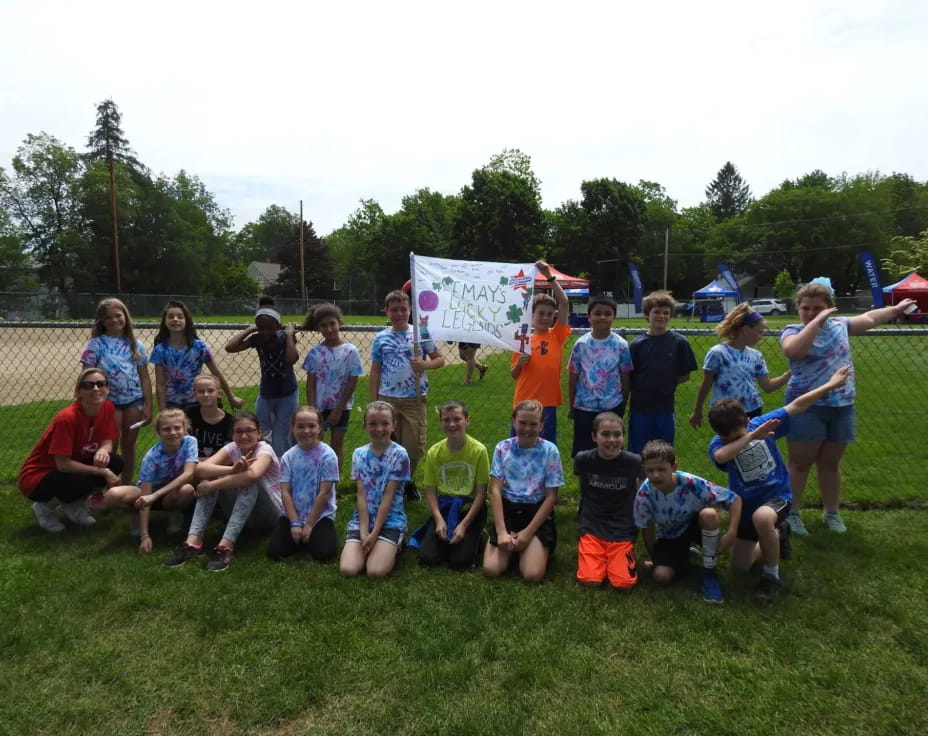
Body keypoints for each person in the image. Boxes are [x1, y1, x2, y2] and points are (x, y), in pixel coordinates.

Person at [779, 278, 915, 535]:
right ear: (798, 308)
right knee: (800, 463)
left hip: (842, 404)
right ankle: (791, 513)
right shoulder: (792, 330)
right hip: (806, 407)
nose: (810, 313)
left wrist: (896, 310)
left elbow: (870, 317)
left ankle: (832, 513)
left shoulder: (841, 325)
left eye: (817, 308)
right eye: (805, 308)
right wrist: (815, 323)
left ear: (830, 308)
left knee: (830, 464)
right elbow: (794, 351)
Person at [708, 365, 852, 601]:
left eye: (739, 433)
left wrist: (831, 384)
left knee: (762, 518)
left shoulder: (762, 423)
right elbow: (721, 457)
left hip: (777, 496)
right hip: (747, 506)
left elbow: (798, 404)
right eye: (729, 438)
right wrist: (751, 436)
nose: (735, 440)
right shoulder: (722, 442)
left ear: (747, 419)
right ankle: (778, 534)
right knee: (740, 566)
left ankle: (772, 576)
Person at [162, 411, 282, 572]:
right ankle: (193, 542)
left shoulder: (264, 449)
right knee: (210, 476)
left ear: (259, 433)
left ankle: (225, 546)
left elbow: (252, 475)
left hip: (270, 514)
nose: (244, 436)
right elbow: (200, 469)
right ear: (232, 435)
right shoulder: (232, 448)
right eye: (239, 431)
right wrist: (232, 469)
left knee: (248, 481)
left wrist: (213, 486)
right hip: (243, 512)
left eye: (250, 430)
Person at [633, 440, 741, 603]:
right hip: (670, 535)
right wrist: (656, 559)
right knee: (661, 576)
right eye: (650, 470)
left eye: (662, 469)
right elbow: (647, 530)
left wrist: (732, 533)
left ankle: (709, 570)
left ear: (674, 467)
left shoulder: (691, 483)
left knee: (709, 514)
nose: (656, 475)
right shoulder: (644, 495)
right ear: (644, 470)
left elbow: (734, 500)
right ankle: (683, 555)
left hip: (695, 525)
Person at [19, 368, 124, 533]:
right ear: (78, 392)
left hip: (72, 466)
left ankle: (73, 506)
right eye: (88, 385)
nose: (96, 389)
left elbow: (107, 441)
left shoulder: (107, 407)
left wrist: (103, 450)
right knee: (84, 480)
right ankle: (44, 509)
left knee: (115, 461)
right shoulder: (67, 418)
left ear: (107, 388)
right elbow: (62, 464)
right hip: (39, 476)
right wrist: (103, 472)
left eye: (100, 384)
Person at [369, 289, 444, 500]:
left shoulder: (420, 334)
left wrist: (425, 364)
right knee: (386, 442)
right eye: (394, 310)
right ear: (387, 312)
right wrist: (374, 401)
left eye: (403, 309)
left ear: (410, 309)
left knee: (414, 446)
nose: (399, 314)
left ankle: (406, 479)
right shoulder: (381, 338)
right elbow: (375, 370)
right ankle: (389, 481)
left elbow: (439, 359)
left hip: (414, 398)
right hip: (387, 398)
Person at [483, 400, 565, 583]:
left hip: (535, 511)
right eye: (522, 423)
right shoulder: (502, 448)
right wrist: (502, 531)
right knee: (491, 569)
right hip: (508, 511)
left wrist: (528, 533)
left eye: (533, 424)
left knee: (532, 574)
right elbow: (495, 491)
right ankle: (508, 542)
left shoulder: (550, 451)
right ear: (513, 421)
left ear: (542, 425)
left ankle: (529, 546)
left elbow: (551, 498)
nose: (527, 428)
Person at [103, 408, 197, 554]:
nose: (173, 432)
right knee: (112, 496)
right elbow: (145, 493)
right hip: (148, 493)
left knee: (187, 490)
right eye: (166, 429)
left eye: (177, 428)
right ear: (158, 432)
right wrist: (145, 536)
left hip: (170, 493)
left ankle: (175, 513)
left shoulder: (190, 442)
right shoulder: (152, 457)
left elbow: (188, 474)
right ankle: (136, 516)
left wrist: (156, 495)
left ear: (185, 428)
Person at [80, 297, 152, 485]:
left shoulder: (136, 345)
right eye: (108, 317)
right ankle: (105, 484)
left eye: (118, 315)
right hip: (108, 402)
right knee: (109, 445)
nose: (114, 320)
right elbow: (86, 374)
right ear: (102, 321)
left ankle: (126, 485)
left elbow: (144, 377)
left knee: (129, 445)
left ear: (125, 317)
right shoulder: (95, 344)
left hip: (133, 400)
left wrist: (148, 405)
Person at [413, 400, 489, 570]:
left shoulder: (479, 451)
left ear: (467, 421)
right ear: (441, 423)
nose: (452, 424)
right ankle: (441, 534)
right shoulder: (434, 452)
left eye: (457, 419)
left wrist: (464, 525)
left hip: (469, 508)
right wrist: (439, 520)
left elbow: (481, 494)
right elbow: (431, 491)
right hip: (445, 507)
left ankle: (476, 534)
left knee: (460, 562)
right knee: (428, 558)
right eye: (446, 420)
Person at [339, 401, 411, 578]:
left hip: (390, 519)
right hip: (364, 517)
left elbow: (388, 496)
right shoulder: (359, 454)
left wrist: (375, 532)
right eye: (373, 423)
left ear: (394, 425)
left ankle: (395, 544)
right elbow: (361, 495)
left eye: (385, 423)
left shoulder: (400, 454)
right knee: (349, 569)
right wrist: (364, 531)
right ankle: (375, 545)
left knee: (375, 571)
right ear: (365, 425)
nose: (379, 428)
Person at [573, 412, 645, 591]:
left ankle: (616, 558)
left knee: (623, 583)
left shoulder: (634, 462)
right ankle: (597, 558)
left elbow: (641, 494)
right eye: (605, 434)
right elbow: (583, 489)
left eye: (617, 434)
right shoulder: (583, 459)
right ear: (594, 436)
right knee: (590, 580)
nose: (612, 440)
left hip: (622, 525)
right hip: (592, 523)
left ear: (623, 436)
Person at [689, 302, 790, 428]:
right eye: (759, 332)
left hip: (753, 410)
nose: (761, 337)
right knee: (731, 446)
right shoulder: (718, 353)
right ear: (746, 329)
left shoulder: (756, 356)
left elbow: (767, 386)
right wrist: (697, 410)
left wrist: (788, 375)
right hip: (725, 414)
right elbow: (706, 383)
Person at [224, 297, 299, 459]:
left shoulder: (284, 338)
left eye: (269, 328)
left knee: (280, 436)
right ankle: (262, 464)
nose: (265, 331)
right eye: (261, 327)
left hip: (287, 393)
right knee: (261, 432)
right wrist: (249, 330)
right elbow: (229, 347)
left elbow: (292, 358)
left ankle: (281, 470)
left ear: (278, 326)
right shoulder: (256, 339)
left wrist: (289, 335)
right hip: (266, 393)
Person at [627, 290, 697, 455]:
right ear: (647, 314)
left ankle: (661, 480)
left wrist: (664, 383)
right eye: (656, 312)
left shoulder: (679, 343)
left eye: (666, 313)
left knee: (664, 452)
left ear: (671, 315)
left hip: (665, 409)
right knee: (638, 452)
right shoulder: (637, 345)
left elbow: (685, 375)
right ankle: (638, 481)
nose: (661, 316)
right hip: (640, 408)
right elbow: (629, 377)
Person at [267, 406, 340, 563]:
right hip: (292, 514)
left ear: (320, 428)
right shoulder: (288, 457)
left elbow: (324, 493)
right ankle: (299, 537)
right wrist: (294, 523)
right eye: (300, 426)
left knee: (325, 554)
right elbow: (285, 492)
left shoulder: (328, 456)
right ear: (292, 428)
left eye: (312, 426)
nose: (306, 431)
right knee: (275, 552)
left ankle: (309, 536)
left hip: (319, 516)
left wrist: (309, 524)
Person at [510, 260, 571, 445]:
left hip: (547, 403)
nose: (545, 317)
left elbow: (564, 302)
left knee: (545, 445)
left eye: (549, 314)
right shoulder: (522, 338)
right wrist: (519, 363)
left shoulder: (557, 336)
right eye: (541, 313)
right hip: (523, 401)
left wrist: (549, 276)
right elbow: (514, 374)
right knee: (518, 443)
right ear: (532, 315)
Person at [567, 294, 633, 457]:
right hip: (584, 406)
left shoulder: (621, 345)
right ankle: (585, 482)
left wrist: (623, 404)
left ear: (614, 317)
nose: (602, 317)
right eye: (597, 313)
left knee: (611, 451)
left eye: (607, 313)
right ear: (589, 317)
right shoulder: (581, 344)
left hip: (611, 405)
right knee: (584, 454)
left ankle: (611, 481)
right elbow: (573, 377)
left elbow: (626, 378)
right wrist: (572, 405)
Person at [302, 302, 363, 474]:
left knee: (337, 447)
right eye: (323, 325)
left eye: (332, 324)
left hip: (341, 407)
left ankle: (332, 486)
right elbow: (311, 383)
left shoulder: (350, 351)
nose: (328, 329)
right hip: (319, 408)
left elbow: (352, 383)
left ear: (339, 323)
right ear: (317, 327)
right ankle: (317, 480)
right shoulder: (315, 353)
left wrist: (338, 409)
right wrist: (313, 410)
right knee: (316, 445)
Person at [150, 299, 243, 411]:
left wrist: (231, 397)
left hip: (196, 401)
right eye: (170, 316)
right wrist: (162, 409)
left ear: (187, 321)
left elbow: (216, 373)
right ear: (164, 321)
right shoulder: (160, 350)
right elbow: (160, 383)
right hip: (172, 403)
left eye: (180, 316)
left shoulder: (199, 347)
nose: (175, 319)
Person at [185, 375, 234, 459]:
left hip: (219, 467)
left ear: (219, 393)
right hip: (191, 466)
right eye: (201, 391)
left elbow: (232, 455)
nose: (206, 394)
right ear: (194, 395)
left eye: (210, 391)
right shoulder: (188, 416)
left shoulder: (231, 422)